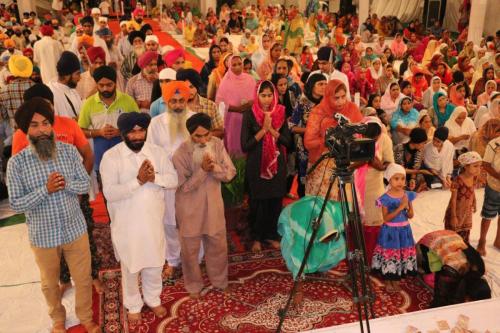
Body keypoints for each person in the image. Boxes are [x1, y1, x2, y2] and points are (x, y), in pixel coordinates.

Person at [7, 98, 100, 333]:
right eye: (34, 125)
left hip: (74, 228)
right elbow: (17, 203)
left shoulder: (68, 152)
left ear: (52, 125)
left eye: (46, 123)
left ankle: (86, 318)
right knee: (50, 284)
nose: (42, 130)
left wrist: (64, 184)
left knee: (84, 278)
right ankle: (58, 320)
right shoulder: (17, 163)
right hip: (43, 234)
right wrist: (45, 190)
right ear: (25, 130)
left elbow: (82, 184)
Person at [100, 112, 178, 324]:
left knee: (154, 263)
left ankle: (153, 299)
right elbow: (110, 193)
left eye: (141, 130)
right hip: (127, 225)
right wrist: (138, 181)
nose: (137, 136)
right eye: (132, 132)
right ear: (123, 133)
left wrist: (154, 177)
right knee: (131, 267)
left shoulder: (158, 153)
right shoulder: (111, 157)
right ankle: (133, 304)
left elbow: (173, 180)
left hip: (152, 222)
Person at [173, 113, 236, 298]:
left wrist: (213, 168)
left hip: (214, 207)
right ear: (190, 135)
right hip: (189, 209)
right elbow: (183, 187)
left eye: (206, 134)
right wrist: (202, 171)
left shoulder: (217, 144)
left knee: (218, 246)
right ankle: (193, 286)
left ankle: (220, 281)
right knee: (190, 252)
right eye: (197, 136)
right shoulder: (181, 153)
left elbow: (230, 173)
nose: (203, 140)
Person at [146, 81, 195, 277]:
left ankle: (194, 259)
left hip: (191, 181)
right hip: (166, 183)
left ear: (187, 100)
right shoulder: (156, 124)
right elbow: (150, 153)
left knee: (192, 221)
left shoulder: (194, 120)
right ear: (166, 102)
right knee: (169, 223)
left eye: (181, 100)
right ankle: (173, 260)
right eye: (173, 101)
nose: (177, 105)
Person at [241, 80, 292, 252]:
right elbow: (245, 145)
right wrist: (263, 129)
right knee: (257, 202)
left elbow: (288, 142)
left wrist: (272, 131)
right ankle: (256, 237)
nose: (267, 99)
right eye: (263, 95)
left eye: (270, 95)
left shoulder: (281, 112)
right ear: (257, 96)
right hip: (256, 164)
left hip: (277, 164)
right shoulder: (250, 113)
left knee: (275, 201)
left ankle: (270, 235)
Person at [304, 80, 362, 199]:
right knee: (323, 208)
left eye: (343, 97)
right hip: (322, 164)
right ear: (328, 96)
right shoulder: (318, 111)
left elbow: (360, 134)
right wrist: (328, 139)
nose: (340, 101)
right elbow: (308, 142)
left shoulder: (352, 108)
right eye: (336, 98)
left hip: (346, 164)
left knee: (346, 204)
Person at [79, 66, 139, 174]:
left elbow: (139, 126)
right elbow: (80, 131)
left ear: (115, 83)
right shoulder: (89, 103)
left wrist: (120, 132)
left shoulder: (128, 101)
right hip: (101, 157)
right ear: (96, 85)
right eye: (101, 85)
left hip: (127, 157)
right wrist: (99, 132)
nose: (105, 89)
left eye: (109, 85)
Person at [371, 163, 417, 292]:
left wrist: (407, 208)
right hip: (390, 232)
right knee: (391, 254)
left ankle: (396, 279)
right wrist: (400, 207)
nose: (400, 182)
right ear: (389, 179)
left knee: (400, 254)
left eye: (402, 178)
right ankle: (388, 279)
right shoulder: (385, 198)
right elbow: (386, 218)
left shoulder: (407, 195)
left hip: (404, 230)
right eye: (396, 179)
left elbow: (411, 215)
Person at [357, 117, 394, 265]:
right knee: (356, 219)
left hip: (375, 185)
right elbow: (348, 163)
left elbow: (389, 162)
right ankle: (356, 255)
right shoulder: (356, 138)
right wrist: (365, 161)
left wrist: (380, 166)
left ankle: (372, 257)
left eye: (375, 138)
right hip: (355, 185)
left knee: (373, 219)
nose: (372, 140)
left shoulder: (385, 139)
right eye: (369, 137)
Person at [290, 73, 327, 198]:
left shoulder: (328, 103)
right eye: (320, 84)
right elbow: (292, 126)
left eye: (325, 84)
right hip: (305, 149)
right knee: (305, 183)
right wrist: (310, 131)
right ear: (312, 86)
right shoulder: (303, 102)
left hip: (324, 148)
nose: (324, 87)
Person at [215, 55, 255, 157]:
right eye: (234, 65)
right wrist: (237, 109)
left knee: (248, 145)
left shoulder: (250, 79)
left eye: (239, 64)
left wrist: (250, 103)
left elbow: (257, 96)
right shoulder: (225, 82)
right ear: (229, 66)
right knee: (235, 146)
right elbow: (220, 104)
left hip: (249, 118)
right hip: (232, 120)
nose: (237, 67)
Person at [444, 152, 482, 243]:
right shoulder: (457, 180)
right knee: (453, 235)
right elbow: (453, 199)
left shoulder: (474, 177)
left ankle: (463, 250)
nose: (479, 169)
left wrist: (474, 202)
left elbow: (472, 191)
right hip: (456, 212)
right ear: (465, 166)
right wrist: (453, 217)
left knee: (465, 232)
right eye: (475, 166)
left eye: (480, 166)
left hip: (466, 211)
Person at [177, 69, 224, 138]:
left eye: (191, 87)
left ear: (197, 85)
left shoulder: (210, 105)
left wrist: (202, 137)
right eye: (184, 87)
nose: (189, 91)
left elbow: (220, 131)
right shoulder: (176, 107)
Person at [477, 132, 500, 256]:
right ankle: (482, 241)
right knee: (488, 214)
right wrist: (498, 176)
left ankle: (498, 240)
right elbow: (485, 165)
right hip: (494, 185)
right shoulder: (494, 144)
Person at [0, 55, 34, 128]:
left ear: (12, 69)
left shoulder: (4, 91)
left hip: (16, 133)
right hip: (35, 132)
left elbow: (3, 116)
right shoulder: (37, 88)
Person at [47, 51, 83, 119]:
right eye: (77, 73)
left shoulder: (73, 92)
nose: (80, 77)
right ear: (67, 75)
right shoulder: (51, 92)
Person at [394, 128, 430, 192]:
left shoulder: (418, 151)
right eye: (423, 143)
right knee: (400, 183)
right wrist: (420, 171)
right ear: (417, 142)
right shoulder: (400, 148)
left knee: (420, 178)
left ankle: (413, 187)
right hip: (398, 174)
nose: (424, 145)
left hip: (409, 174)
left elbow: (415, 168)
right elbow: (401, 170)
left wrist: (412, 179)